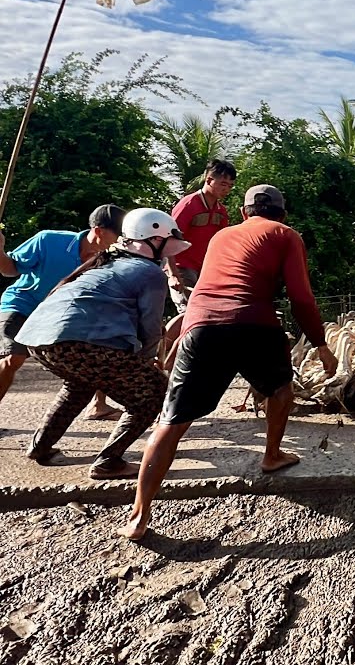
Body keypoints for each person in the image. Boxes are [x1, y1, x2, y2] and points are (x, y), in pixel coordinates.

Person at [118, 185, 338, 540]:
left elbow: (207, 288)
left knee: (171, 422)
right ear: (283, 212)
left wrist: (183, 336)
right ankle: (272, 455)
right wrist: (321, 345)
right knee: (281, 390)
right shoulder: (285, 235)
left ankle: (139, 516)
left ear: (243, 211)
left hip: (202, 326)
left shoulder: (221, 236)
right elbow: (301, 297)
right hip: (254, 322)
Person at [18, 209, 190, 479]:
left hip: (38, 337)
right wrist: (146, 362)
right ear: (152, 240)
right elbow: (149, 327)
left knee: (78, 386)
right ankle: (108, 462)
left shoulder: (107, 261)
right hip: (80, 341)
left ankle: (40, 447)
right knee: (154, 392)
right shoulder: (149, 272)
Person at [0, 205, 125, 420]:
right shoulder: (48, 240)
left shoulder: (111, 260)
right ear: (100, 231)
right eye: (119, 234)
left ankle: (98, 405)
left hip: (59, 315)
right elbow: (9, 269)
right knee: (13, 358)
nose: (122, 240)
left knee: (102, 345)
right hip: (22, 304)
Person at [161, 159, 235, 365]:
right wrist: (173, 274)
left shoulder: (221, 212)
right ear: (209, 179)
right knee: (190, 312)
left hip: (205, 271)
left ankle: (173, 362)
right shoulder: (187, 205)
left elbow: (221, 245)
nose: (226, 189)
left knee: (202, 316)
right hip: (182, 268)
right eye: (223, 184)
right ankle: (159, 354)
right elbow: (167, 240)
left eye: (230, 185)